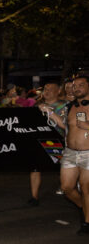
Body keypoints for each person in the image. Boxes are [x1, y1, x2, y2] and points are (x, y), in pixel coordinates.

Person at [51, 75, 89, 234]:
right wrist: (50, 113)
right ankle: (84, 207)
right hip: (70, 153)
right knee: (66, 187)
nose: (76, 88)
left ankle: (87, 222)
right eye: (74, 86)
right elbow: (64, 126)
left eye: (81, 85)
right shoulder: (70, 106)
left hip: (88, 154)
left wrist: (87, 125)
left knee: (86, 188)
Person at [31, 81, 67, 205]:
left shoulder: (64, 105)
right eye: (45, 89)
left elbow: (65, 125)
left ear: (58, 91)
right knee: (35, 167)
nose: (47, 91)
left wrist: (50, 113)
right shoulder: (37, 105)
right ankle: (34, 197)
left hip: (58, 141)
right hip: (39, 141)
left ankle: (66, 187)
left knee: (62, 167)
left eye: (50, 89)